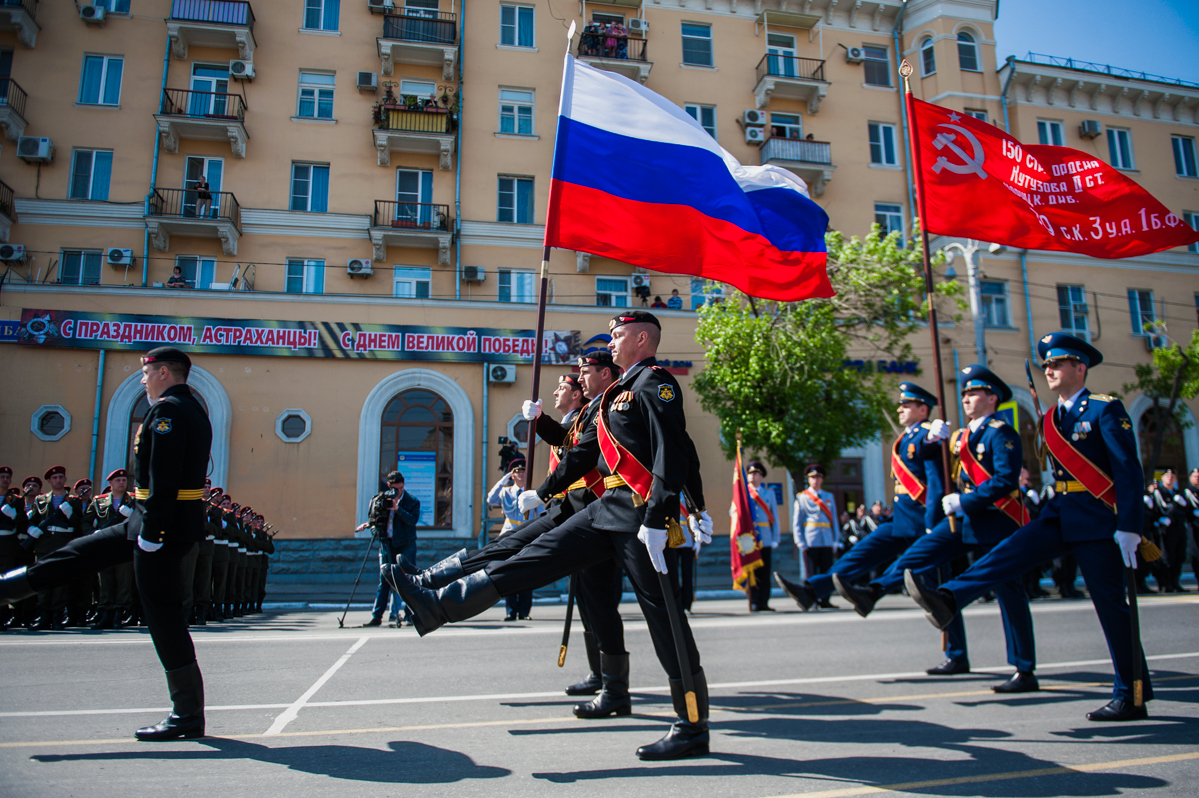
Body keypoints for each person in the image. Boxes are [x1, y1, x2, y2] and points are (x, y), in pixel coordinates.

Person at [386, 310, 716, 761]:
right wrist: (540, 441)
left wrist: (675, 513)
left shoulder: (654, 384)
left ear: (642, 339)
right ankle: (438, 604)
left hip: (640, 517)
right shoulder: (615, 395)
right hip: (607, 510)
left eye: (619, 335)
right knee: (533, 556)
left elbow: (676, 450)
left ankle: (692, 726)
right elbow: (582, 452)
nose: (613, 341)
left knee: (665, 619)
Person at [906, 332, 1152, 722]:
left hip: (1099, 519)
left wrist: (1130, 526)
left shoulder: (1105, 409)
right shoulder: (1052, 417)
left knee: (1110, 607)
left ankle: (1132, 692)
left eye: (1057, 364)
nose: (1049, 370)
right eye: (1047, 365)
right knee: (1009, 552)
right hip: (1060, 512)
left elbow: (1127, 471)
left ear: (1080, 368)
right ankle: (949, 598)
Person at [0, 346, 214, 739]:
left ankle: (187, 714)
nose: (142, 379)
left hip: (159, 528)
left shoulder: (169, 411)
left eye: (146, 372)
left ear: (164, 372)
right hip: (147, 521)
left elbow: (164, 477)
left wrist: (152, 534)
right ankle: (12, 587)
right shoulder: (186, 407)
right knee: (84, 552)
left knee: (163, 615)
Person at [406, 357, 629, 710]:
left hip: (592, 511)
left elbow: (581, 458)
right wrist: (538, 420)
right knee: (585, 600)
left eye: (570, 382)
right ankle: (430, 582)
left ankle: (614, 686)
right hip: (573, 510)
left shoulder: (604, 410)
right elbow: (564, 440)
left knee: (595, 600)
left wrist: (539, 491)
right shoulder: (586, 415)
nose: (564, 388)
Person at [836, 365, 1037, 690]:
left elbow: (1004, 480)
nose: (967, 398)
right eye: (965, 394)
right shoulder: (960, 437)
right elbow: (926, 459)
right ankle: (874, 592)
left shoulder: (1002, 432)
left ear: (992, 397)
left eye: (973, 393)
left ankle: (1024, 670)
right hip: (963, 518)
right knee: (920, 552)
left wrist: (964, 501)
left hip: (997, 518)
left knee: (1008, 592)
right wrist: (932, 437)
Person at [776, 383, 948, 611]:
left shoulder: (927, 434)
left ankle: (872, 593)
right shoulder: (908, 437)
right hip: (903, 518)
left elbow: (935, 480)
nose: (899, 410)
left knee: (927, 582)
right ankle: (812, 591)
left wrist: (933, 521)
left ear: (923, 410)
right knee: (863, 552)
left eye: (906, 406)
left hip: (922, 518)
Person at [357, 471, 421, 628]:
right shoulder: (381, 499)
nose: (398, 491)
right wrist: (371, 526)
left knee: (408, 579)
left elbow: (413, 521)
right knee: (384, 580)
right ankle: (377, 617)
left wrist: (397, 509)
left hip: (406, 543)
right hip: (387, 543)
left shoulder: (412, 500)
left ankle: (409, 614)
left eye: (400, 488)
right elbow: (375, 520)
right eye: (395, 488)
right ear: (389, 485)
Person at [486, 456, 543, 620]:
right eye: (517, 472)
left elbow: (540, 514)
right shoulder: (505, 492)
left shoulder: (532, 493)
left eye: (523, 471)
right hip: (510, 532)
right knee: (509, 573)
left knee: (526, 573)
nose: (521, 474)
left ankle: (524, 612)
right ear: (512, 475)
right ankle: (511, 611)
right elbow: (491, 499)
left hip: (527, 533)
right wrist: (504, 478)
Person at [28, 466, 84, 629]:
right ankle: (44, 616)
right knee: (43, 580)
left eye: (61, 477)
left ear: (65, 480)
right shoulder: (40, 500)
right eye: (55, 478)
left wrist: (69, 515)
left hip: (63, 544)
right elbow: (33, 519)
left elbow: (79, 525)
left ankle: (57, 617)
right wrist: (31, 528)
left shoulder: (74, 501)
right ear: (49, 481)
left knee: (60, 582)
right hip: (44, 545)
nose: (58, 480)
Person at [85, 469, 137, 630]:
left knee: (123, 582)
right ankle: (105, 612)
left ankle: (119, 614)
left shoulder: (133, 500)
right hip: (105, 545)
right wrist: (93, 533)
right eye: (118, 480)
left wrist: (133, 517)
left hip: (124, 545)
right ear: (110, 483)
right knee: (105, 581)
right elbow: (85, 522)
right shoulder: (99, 501)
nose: (122, 483)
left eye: (124, 480)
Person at [792, 464, 839, 608]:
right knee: (811, 573)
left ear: (822, 479)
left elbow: (834, 520)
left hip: (826, 540)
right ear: (808, 479)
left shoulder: (828, 496)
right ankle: (811, 599)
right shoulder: (802, 498)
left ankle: (825, 600)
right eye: (812, 477)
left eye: (818, 477)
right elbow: (797, 522)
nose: (815, 480)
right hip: (810, 540)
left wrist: (836, 539)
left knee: (826, 571)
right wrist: (799, 541)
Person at [736, 461, 779, 612]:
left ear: (762, 476)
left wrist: (775, 538)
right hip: (749, 540)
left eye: (756, 473)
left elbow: (775, 517)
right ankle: (754, 601)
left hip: (766, 538)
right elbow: (733, 513)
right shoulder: (741, 493)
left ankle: (764, 601)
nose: (753, 476)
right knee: (752, 572)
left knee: (765, 572)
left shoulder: (769, 494)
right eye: (750, 473)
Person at [1149, 469, 1187, 592]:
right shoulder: (1158, 493)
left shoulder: (1178, 493)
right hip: (1165, 531)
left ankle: (1175, 582)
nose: (1170, 478)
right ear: (1162, 478)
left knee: (1179, 556)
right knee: (1167, 557)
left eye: (1172, 476)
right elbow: (1154, 510)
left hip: (1178, 529)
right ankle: (1166, 583)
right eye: (1167, 476)